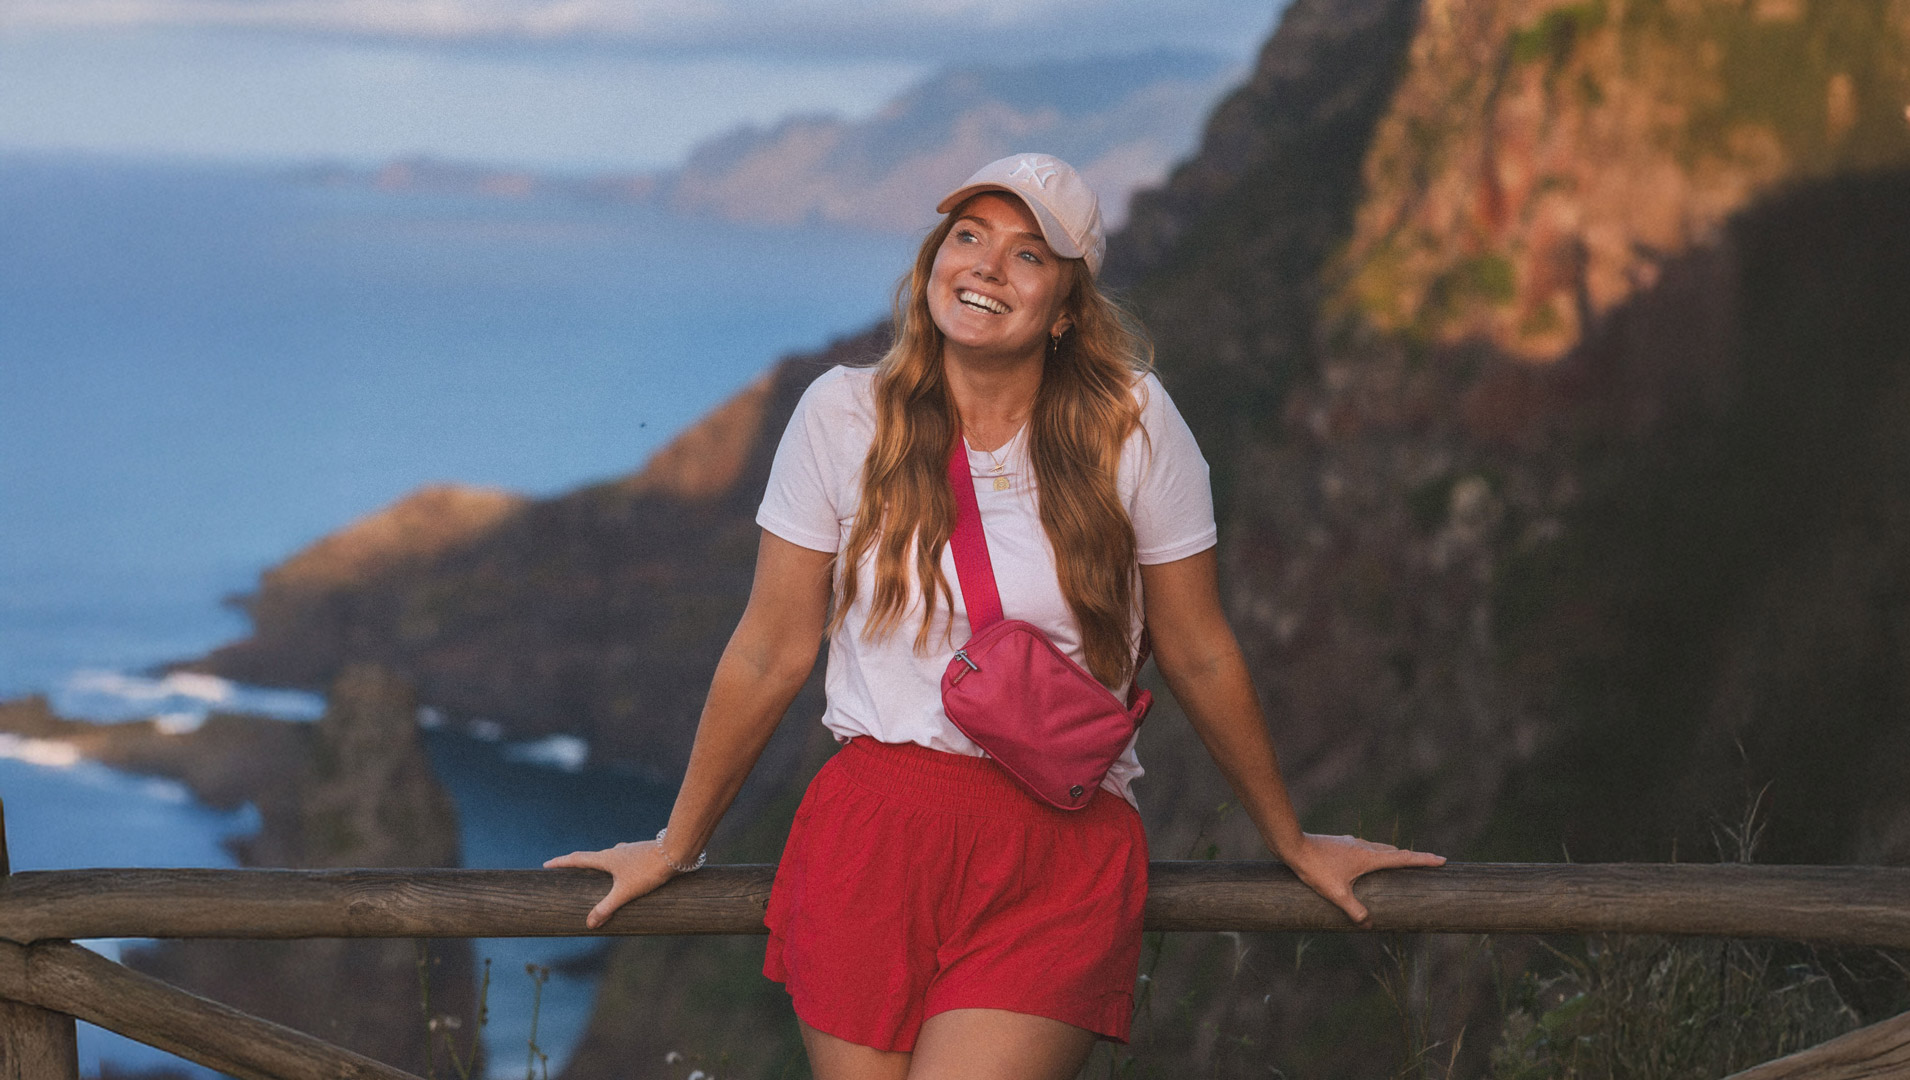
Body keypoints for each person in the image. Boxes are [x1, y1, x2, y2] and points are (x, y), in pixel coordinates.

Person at [545, 152, 1445, 1079]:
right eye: (968, 236)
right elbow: (773, 647)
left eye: (1027, 255)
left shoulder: (1132, 425)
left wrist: (1289, 841)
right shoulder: (841, 417)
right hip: (874, 834)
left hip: (1055, 850)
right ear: (935, 257)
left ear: (1065, 308)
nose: (984, 265)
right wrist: (675, 843)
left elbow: (1200, 651)